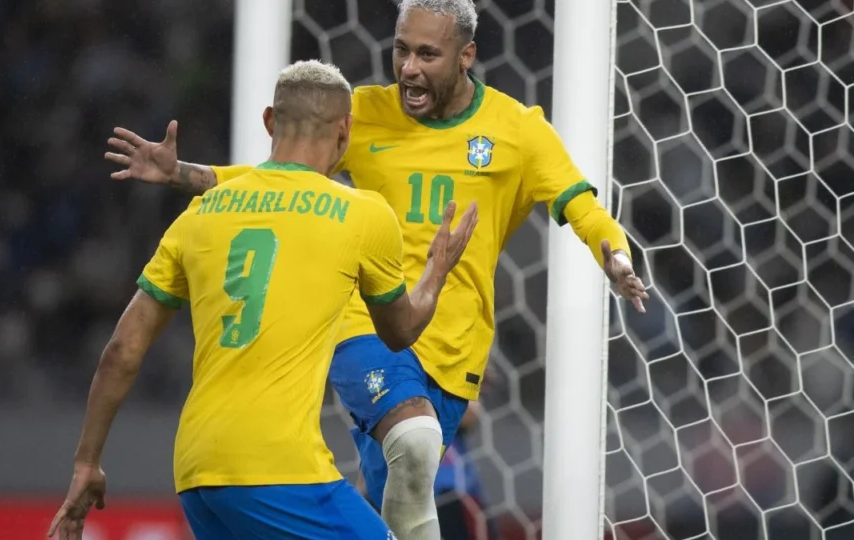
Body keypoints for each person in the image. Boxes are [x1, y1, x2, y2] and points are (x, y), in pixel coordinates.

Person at [103, 1, 649, 538]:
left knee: (399, 504)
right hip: (368, 330)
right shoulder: (362, 114)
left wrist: (615, 253)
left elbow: (580, 203)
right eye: (401, 50)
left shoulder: (518, 131)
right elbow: (275, 179)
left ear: (467, 56)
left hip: (454, 352)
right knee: (413, 439)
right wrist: (184, 175)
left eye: (428, 54)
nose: (409, 68)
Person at [47, 59, 479, 540]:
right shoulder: (362, 213)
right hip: (281, 469)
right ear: (346, 130)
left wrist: (87, 463)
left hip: (197, 473)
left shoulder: (200, 214)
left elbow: (121, 351)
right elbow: (400, 332)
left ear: (270, 121)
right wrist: (436, 272)